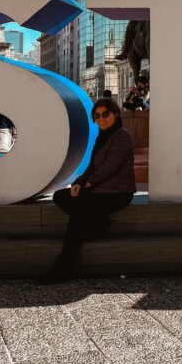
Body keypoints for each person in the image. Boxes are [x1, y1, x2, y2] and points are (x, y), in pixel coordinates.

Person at [41, 98, 135, 283]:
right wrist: (79, 182)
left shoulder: (122, 136)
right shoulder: (102, 137)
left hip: (118, 193)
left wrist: (88, 184)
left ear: (116, 114)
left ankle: (63, 265)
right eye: (97, 116)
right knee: (60, 196)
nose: (101, 119)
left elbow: (110, 167)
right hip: (100, 190)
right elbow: (92, 167)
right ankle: (99, 224)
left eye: (105, 114)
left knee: (78, 216)